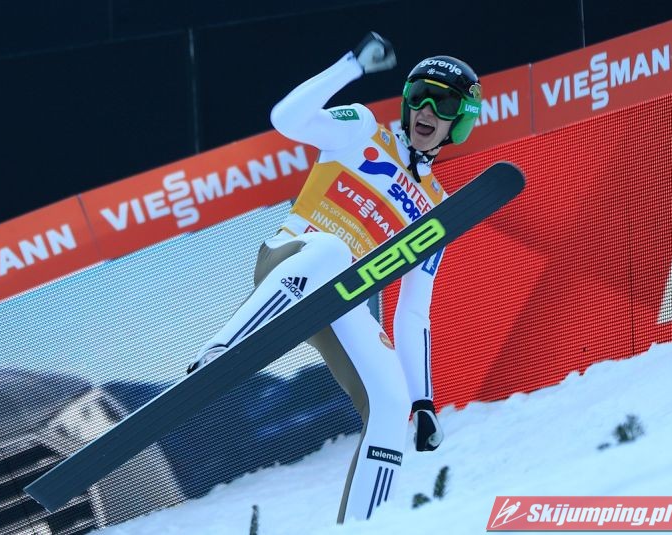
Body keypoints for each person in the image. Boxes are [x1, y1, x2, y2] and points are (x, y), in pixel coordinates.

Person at [188, 32, 482, 523]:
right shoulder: (363, 129)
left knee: (389, 405)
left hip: (341, 301)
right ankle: (221, 352)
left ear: (461, 121)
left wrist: (423, 401)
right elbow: (286, 119)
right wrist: (353, 66)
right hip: (292, 262)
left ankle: (366, 526)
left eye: (444, 103)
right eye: (419, 96)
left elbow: (413, 312)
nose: (427, 110)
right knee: (332, 248)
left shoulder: (437, 208)